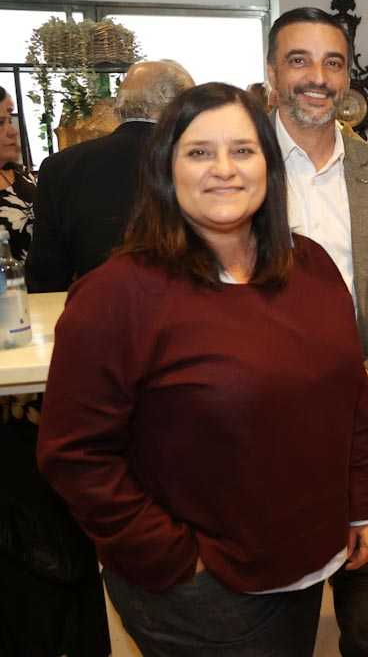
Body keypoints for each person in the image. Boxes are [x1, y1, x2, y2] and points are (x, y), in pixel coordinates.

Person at [36, 82, 368, 656]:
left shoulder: (313, 268)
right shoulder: (116, 296)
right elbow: (75, 454)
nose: (224, 169)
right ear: (164, 170)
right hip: (200, 592)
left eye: (243, 151)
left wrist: (367, 505)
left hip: (306, 565)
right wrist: (177, 558)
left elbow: (350, 400)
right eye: (199, 152)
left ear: (269, 168)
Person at [266, 6, 368, 657]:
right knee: (280, 581)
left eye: (333, 62)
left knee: (363, 558)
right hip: (264, 413)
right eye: (299, 60)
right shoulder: (240, 165)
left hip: (359, 404)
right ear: (273, 71)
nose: (317, 77)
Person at [0, 85, 111, 657]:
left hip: (45, 362)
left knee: (63, 510)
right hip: (9, 382)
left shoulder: (27, 185)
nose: (11, 129)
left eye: (11, 118)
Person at [28, 60, 195, 291]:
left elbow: (45, 277)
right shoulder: (193, 162)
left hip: (93, 312)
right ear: (180, 108)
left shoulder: (60, 167)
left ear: (119, 105)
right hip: (184, 311)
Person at [0, 86, 37, 260]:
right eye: (0, 123)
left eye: (9, 119)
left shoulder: (21, 173)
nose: (13, 131)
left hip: (46, 285)